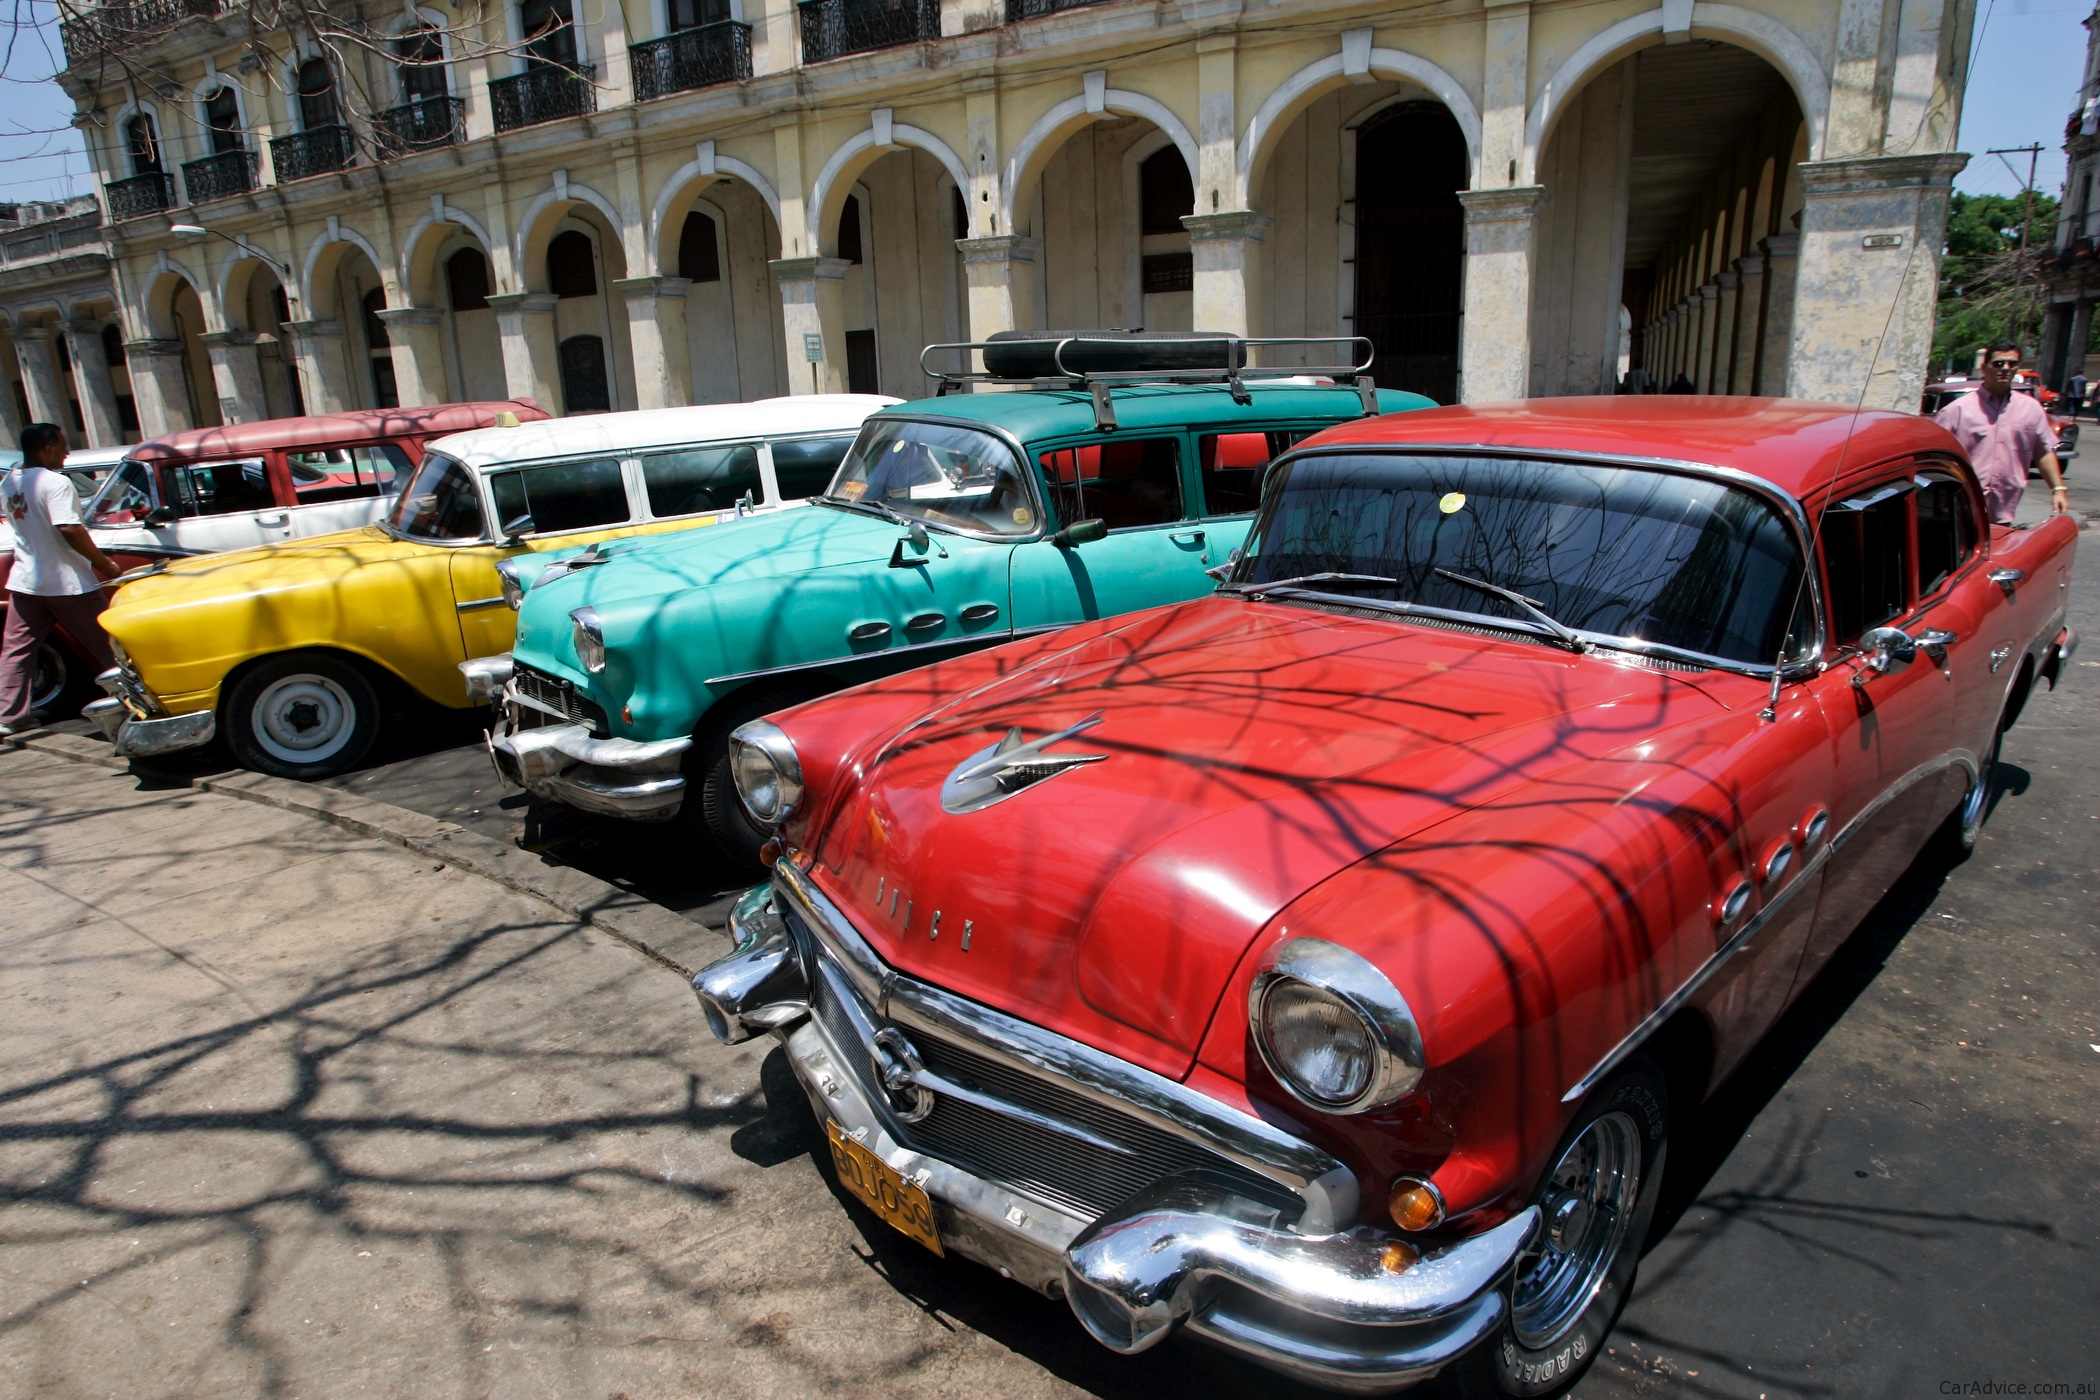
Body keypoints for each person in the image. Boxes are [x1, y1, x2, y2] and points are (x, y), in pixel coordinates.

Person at [0, 423, 120, 736]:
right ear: (48, 448)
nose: (67, 452)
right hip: (66, 582)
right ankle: (138, 702)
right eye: (63, 445)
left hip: (26, 580)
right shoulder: (55, 482)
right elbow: (68, 527)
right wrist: (104, 564)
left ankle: (9, 716)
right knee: (112, 646)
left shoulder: (10, 480)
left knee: (17, 650)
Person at [1932, 341, 2069, 526]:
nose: (2005, 368)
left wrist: (2058, 489)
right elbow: (1935, 458)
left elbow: (2043, 451)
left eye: (2012, 364)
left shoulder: (2031, 409)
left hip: (2004, 511)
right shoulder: (1957, 411)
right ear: (1984, 368)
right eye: (1998, 363)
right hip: (1960, 510)